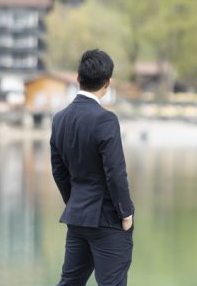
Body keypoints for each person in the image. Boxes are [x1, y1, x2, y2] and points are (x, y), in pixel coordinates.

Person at [50, 49, 135, 286]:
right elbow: (115, 172)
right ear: (108, 82)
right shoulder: (105, 119)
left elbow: (58, 170)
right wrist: (126, 213)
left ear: (78, 77)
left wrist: (75, 202)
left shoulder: (59, 119)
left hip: (78, 216)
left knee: (70, 282)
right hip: (107, 218)